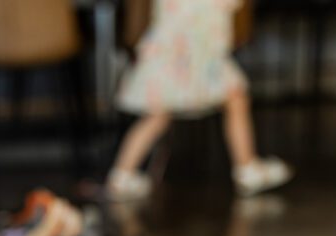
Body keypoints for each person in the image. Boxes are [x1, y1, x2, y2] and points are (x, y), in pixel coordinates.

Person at [107, 0, 293, 200]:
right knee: (235, 98)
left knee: (157, 116)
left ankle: (122, 175)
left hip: (172, 56)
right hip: (197, 58)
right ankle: (247, 166)